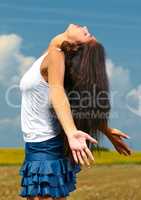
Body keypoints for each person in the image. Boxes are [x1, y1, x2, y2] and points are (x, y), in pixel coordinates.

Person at [19, 23, 132, 200]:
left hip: (45, 148)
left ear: (78, 47)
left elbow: (57, 92)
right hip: (39, 145)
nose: (85, 27)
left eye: (87, 34)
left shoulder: (57, 55)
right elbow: (77, 100)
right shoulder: (54, 50)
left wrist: (72, 132)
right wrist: (106, 130)